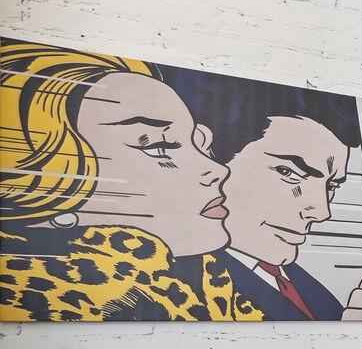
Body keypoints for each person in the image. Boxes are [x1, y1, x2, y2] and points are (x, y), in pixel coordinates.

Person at [0, 40, 259, 321]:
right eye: (160, 147)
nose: (218, 171)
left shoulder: (207, 290)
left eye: (199, 145)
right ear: (44, 187)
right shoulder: (104, 303)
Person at [171, 76, 362, 321]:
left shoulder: (309, 290)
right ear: (208, 155)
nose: (320, 211)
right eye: (289, 172)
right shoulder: (175, 284)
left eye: (331, 186)